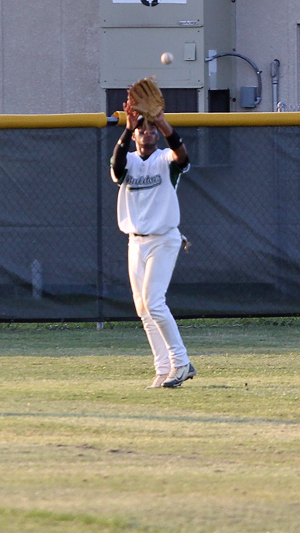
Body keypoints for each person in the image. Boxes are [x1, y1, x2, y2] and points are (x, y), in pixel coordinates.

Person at [109, 96, 197, 389]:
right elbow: (117, 164)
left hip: (163, 239)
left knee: (155, 303)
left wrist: (162, 121)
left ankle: (181, 363)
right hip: (136, 241)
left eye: (151, 129)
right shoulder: (129, 161)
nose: (148, 132)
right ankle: (162, 369)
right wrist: (127, 126)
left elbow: (182, 155)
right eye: (143, 129)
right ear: (135, 135)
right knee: (143, 309)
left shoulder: (164, 160)